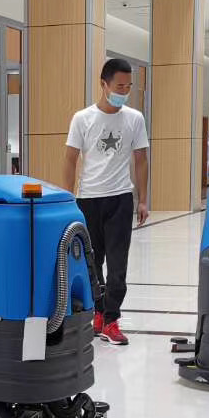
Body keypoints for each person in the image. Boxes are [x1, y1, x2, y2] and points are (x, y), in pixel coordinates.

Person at [64, 58, 150, 346]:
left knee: (117, 267)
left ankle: (111, 319)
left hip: (120, 199)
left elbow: (141, 160)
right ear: (103, 84)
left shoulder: (134, 118)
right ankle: (97, 313)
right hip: (88, 200)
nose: (124, 91)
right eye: (119, 85)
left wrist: (143, 200)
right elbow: (70, 159)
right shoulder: (82, 118)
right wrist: (67, 199)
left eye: (128, 86)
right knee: (91, 263)